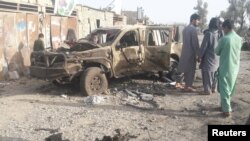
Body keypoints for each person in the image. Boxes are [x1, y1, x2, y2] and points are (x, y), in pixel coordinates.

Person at [215, 19, 242, 117]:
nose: (223, 30)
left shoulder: (224, 39)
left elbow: (217, 52)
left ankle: (227, 110)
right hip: (235, 67)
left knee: (224, 88)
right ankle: (224, 105)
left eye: (223, 28)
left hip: (226, 67)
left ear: (226, 27)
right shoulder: (239, 38)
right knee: (230, 87)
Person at [176, 13, 200, 92]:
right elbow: (195, 43)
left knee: (185, 69)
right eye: (198, 20)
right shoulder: (193, 29)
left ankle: (184, 84)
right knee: (191, 70)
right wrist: (198, 54)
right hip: (191, 53)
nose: (198, 22)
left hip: (185, 52)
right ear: (193, 20)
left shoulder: (185, 29)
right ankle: (187, 86)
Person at [198, 18, 220, 95]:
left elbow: (203, 47)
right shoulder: (219, 33)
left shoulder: (209, 34)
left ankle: (207, 90)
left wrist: (199, 56)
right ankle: (214, 88)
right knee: (215, 73)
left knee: (207, 73)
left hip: (208, 57)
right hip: (217, 57)